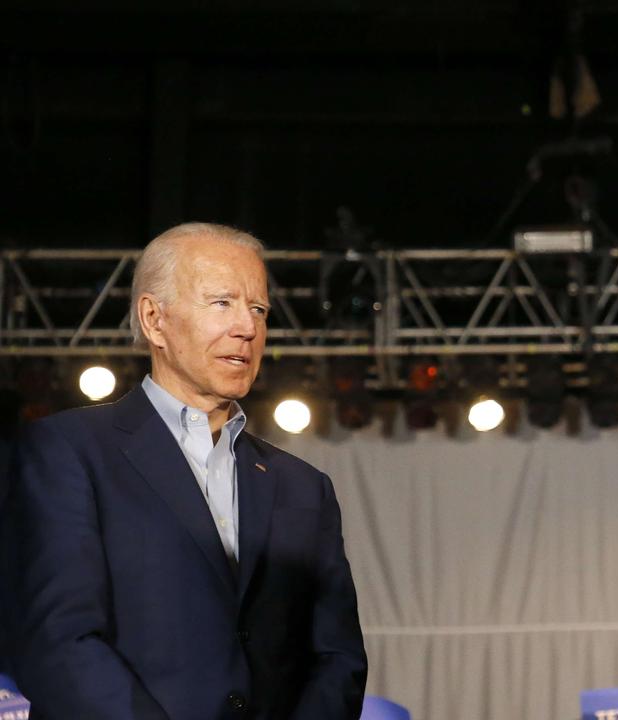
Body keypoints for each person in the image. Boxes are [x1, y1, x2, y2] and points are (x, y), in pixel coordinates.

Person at [0, 223, 368, 719]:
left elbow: (336, 657)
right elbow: (56, 641)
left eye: (258, 308)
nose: (247, 327)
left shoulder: (304, 487)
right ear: (154, 319)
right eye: (221, 303)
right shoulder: (67, 452)